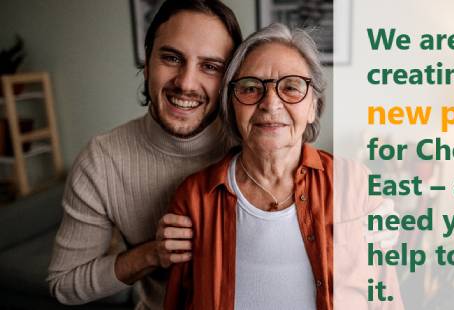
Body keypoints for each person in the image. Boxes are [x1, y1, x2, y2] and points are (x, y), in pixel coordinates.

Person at [163, 23, 403, 310]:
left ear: (313, 106)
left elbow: (385, 297)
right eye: (251, 88)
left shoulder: (355, 183)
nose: (270, 103)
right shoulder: (193, 198)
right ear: (232, 104)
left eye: (291, 87)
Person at [47, 1, 242, 309]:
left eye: (210, 66)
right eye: (171, 57)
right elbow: (64, 285)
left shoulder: (251, 145)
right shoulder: (102, 160)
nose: (186, 83)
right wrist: (152, 254)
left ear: (229, 79)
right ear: (147, 60)